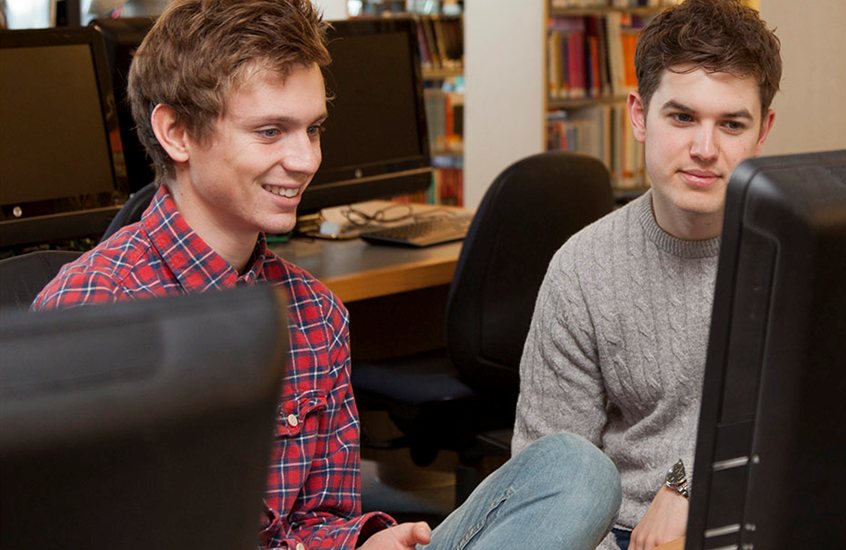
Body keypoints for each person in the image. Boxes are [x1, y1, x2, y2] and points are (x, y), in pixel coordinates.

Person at [31, 0, 620, 548]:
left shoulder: (314, 311)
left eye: (311, 128)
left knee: (576, 470)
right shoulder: (89, 311)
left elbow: (317, 520)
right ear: (177, 133)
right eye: (270, 131)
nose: (307, 159)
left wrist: (360, 540)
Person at [512, 1, 782, 549]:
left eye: (731, 124)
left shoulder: (798, 257)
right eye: (682, 117)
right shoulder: (582, 271)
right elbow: (545, 488)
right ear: (639, 114)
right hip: (622, 536)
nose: (705, 150)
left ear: (763, 132)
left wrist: (690, 483)